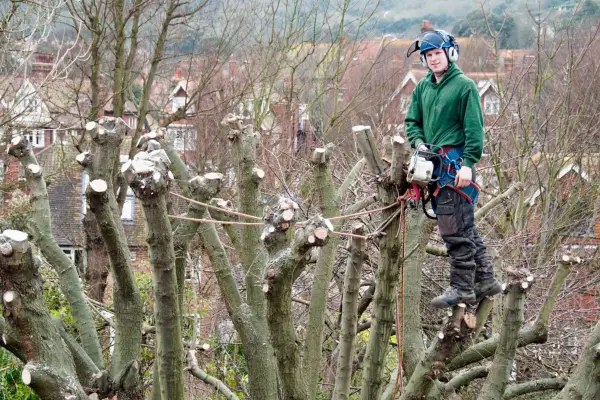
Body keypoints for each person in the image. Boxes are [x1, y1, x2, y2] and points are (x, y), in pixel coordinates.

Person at [404, 30, 502, 308]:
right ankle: (485, 280)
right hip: (432, 166)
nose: (433, 59)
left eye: (437, 53)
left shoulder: (464, 86)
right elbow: (412, 121)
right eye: (428, 55)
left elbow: (475, 130)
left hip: (456, 167)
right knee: (464, 226)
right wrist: (419, 144)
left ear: (449, 53)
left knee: (453, 230)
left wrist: (470, 164)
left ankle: (462, 288)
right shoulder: (423, 88)